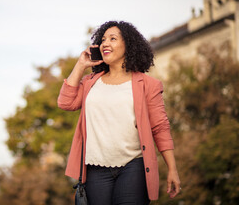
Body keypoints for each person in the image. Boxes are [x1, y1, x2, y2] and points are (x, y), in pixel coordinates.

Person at [57, 21, 181, 204]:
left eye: (113, 39)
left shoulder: (148, 85)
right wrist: (80, 65)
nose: (105, 43)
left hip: (133, 166)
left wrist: (172, 168)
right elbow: (65, 103)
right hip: (95, 169)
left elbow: (160, 127)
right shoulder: (90, 82)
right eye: (103, 40)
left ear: (128, 45)